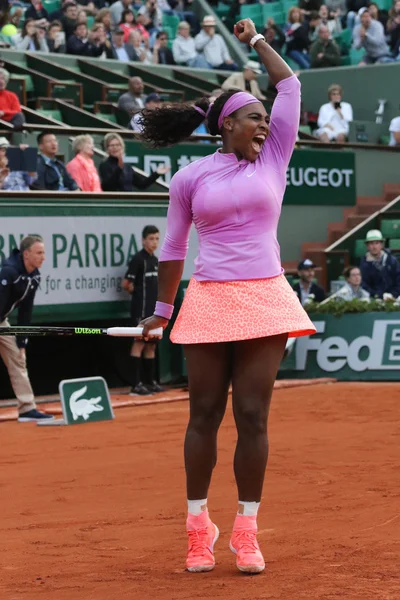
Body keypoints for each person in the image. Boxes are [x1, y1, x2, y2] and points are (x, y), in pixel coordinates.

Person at [139, 17, 316, 575]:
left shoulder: (274, 157)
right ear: (228, 124)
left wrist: (257, 42)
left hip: (266, 296)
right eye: (254, 118)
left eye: (266, 119)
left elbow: (290, 87)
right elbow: (173, 246)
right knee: (203, 415)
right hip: (211, 296)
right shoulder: (190, 178)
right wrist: (163, 310)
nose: (265, 125)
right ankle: (198, 528)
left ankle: (245, 530)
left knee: (251, 414)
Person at [0, 236, 54, 423]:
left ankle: (27, 408)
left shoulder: (34, 276)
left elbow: (25, 312)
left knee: (18, 360)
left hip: (1, 322)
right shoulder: (8, 272)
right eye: (39, 253)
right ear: (26, 254)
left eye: (43, 252)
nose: (43, 257)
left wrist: (22, 342)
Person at [123, 225, 162, 395]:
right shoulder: (138, 259)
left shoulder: (155, 261)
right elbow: (126, 284)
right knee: (138, 343)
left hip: (154, 313)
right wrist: (138, 295)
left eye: (156, 239)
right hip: (140, 310)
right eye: (151, 239)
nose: (154, 242)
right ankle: (135, 384)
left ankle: (150, 382)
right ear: (143, 240)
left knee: (151, 346)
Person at [99, 132, 169, 192]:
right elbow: (107, 187)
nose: (115, 148)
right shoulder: (104, 165)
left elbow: (142, 185)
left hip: (128, 203)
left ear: (122, 147)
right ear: (107, 148)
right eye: (112, 145)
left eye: (117, 145)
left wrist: (157, 173)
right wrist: (119, 169)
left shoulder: (127, 167)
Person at [360, 229, 400, 299]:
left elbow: (398, 279)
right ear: (367, 246)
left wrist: (393, 294)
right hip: (374, 299)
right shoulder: (364, 264)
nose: (374, 246)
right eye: (371, 243)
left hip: (394, 298)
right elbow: (364, 284)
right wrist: (378, 296)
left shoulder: (392, 260)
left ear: (381, 245)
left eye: (377, 243)